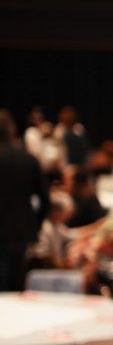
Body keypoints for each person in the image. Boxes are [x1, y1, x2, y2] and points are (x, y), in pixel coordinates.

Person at [0, 109, 48, 290]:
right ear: (12, 130)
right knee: (15, 285)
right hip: (19, 231)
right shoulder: (28, 160)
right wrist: (35, 224)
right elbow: (45, 200)